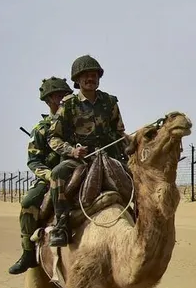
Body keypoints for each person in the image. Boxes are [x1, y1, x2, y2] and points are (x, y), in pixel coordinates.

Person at [47, 54, 132, 247]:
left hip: (109, 156)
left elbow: (119, 132)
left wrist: (134, 144)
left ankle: (141, 219)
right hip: (81, 159)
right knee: (57, 174)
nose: (91, 78)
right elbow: (53, 138)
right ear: (77, 79)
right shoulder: (68, 105)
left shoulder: (110, 102)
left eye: (94, 75)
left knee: (138, 176)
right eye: (86, 75)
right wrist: (71, 151)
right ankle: (61, 226)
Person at [7, 76, 73, 274]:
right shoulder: (40, 130)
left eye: (64, 94)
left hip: (79, 170)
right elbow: (34, 161)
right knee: (28, 203)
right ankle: (28, 253)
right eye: (56, 95)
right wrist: (49, 175)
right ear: (47, 100)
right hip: (50, 178)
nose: (62, 98)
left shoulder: (74, 124)